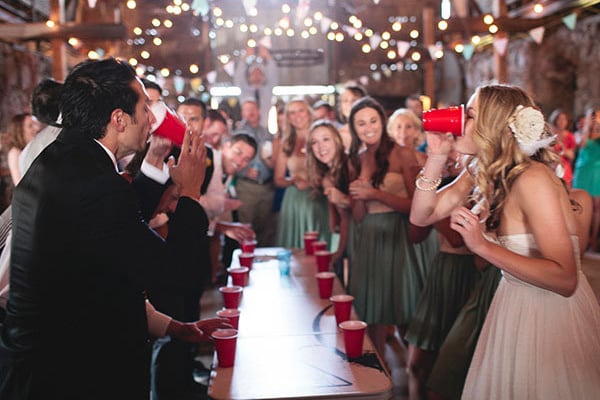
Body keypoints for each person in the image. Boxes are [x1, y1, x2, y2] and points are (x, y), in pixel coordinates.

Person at [0, 58, 210, 399]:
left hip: (40, 364)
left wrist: (173, 327)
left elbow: (113, 235)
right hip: (72, 374)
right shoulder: (94, 183)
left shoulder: (62, 158)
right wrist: (190, 193)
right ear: (118, 119)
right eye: (145, 108)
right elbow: (174, 272)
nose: (151, 121)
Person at [411, 83, 600, 398]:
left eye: (469, 115)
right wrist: (436, 157)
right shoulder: (483, 171)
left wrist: (483, 246)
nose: (459, 121)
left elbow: (566, 279)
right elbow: (421, 216)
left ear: (494, 125)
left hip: (546, 316)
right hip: (511, 302)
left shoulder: (534, 179)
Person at [347, 96, 428, 357]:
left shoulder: (403, 153)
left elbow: (416, 206)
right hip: (369, 236)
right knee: (372, 314)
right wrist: (363, 180)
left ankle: (416, 374)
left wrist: (376, 194)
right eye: (361, 123)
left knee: (404, 309)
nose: (368, 127)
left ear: (382, 122)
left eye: (372, 121)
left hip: (398, 236)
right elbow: (358, 215)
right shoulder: (356, 159)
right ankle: (380, 380)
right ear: (354, 127)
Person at [306, 120, 359, 283]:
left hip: (364, 233)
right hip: (349, 233)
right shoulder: (328, 177)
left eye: (326, 139)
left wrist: (338, 253)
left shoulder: (351, 165)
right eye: (314, 142)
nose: (320, 146)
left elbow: (360, 210)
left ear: (337, 140)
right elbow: (338, 221)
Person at [275, 98, 330, 249]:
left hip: (318, 197)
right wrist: (293, 180)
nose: (297, 116)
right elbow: (278, 179)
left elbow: (333, 170)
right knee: (294, 248)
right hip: (294, 200)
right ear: (287, 118)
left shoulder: (321, 137)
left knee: (318, 244)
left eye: (300, 110)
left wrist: (316, 182)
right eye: (291, 113)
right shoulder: (285, 142)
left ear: (309, 113)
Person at [234, 98, 276, 246]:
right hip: (247, 187)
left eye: (253, 109)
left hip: (267, 186)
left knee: (265, 228)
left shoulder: (267, 133)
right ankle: (246, 260)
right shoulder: (237, 133)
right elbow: (231, 160)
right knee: (246, 228)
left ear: (259, 111)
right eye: (247, 109)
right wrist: (244, 171)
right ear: (242, 113)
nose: (250, 112)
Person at [572, 104, 600, 251]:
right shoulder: (581, 133)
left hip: (597, 172)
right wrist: (588, 124)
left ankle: (593, 240)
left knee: (596, 207)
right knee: (579, 205)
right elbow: (581, 144)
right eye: (593, 117)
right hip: (582, 171)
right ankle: (580, 238)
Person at [6, 113, 39, 185]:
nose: (36, 129)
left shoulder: (33, 147)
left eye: (35, 124)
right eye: (30, 126)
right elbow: (19, 183)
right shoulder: (14, 153)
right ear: (19, 131)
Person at [548, 108, 576, 187]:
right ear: (555, 120)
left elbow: (572, 155)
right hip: (551, 166)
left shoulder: (570, 136)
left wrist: (563, 149)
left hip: (565, 167)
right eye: (559, 119)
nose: (561, 122)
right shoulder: (550, 135)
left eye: (564, 119)